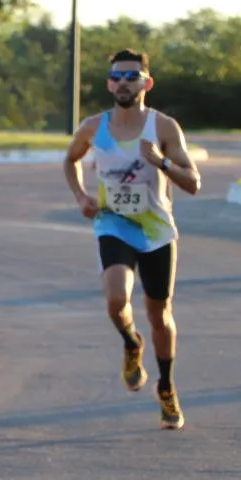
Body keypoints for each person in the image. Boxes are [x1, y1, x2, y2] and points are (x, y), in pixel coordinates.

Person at [62, 48, 202, 431]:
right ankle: (130, 341)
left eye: (132, 77)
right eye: (117, 77)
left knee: (160, 315)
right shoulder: (94, 127)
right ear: (109, 83)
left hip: (156, 230)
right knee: (115, 298)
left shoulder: (164, 128)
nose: (123, 83)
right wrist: (80, 196)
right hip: (114, 223)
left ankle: (166, 388)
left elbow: (193, 183)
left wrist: (160, 162)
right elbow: (70, 159)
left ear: (147, 83)